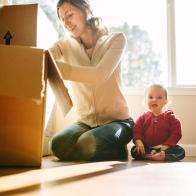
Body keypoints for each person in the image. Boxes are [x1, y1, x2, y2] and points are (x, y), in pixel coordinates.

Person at [49, 0, 134, 161]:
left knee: (87, 142)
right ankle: (93, 149)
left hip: (119, 122)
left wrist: (59, 68)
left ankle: (117, 149)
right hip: (85, 124)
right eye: (62, 18)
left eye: (69, 15)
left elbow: (99, 75)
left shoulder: (116, 40)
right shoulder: (64, 45)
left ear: (86, 10)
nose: (66, 22)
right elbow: (45, 57)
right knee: (57, 144)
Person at [131, 84, 185, 161]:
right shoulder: (142, 118)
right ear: (145, 100)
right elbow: (137, 131)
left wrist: (166, 145)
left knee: (180, 151)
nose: (154, 100)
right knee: (134, 150)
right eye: (150, 97)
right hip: (147, 147)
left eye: (159, 97)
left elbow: (176, 133)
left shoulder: (171, 117)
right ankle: (150, 156)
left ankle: (162, 156)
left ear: (166, 101)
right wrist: (138, 142)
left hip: (165, 148)